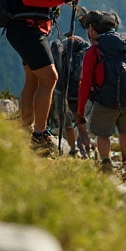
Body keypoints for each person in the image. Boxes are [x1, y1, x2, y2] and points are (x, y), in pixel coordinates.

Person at [6, 0, 84, 153]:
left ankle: (25, 131)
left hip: (31, 27)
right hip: (26, 28)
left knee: (32, 81)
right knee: (50, 78)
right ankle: (39, 135)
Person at [76, 10, 126, 178]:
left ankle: (105, 164)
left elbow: (85, 84)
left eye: (89, 28)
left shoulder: (93, 52)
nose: (88, 32)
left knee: (103, 134)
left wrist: (80, 110)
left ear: (93, 30)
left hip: (105, 101)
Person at [50, 29, 90, 157]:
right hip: (78, 92)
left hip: (62, 90)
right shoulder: (84, 51)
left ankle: (73, 150)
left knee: (66, 123)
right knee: (81, 123)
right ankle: (86, 151)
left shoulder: (60, 50)